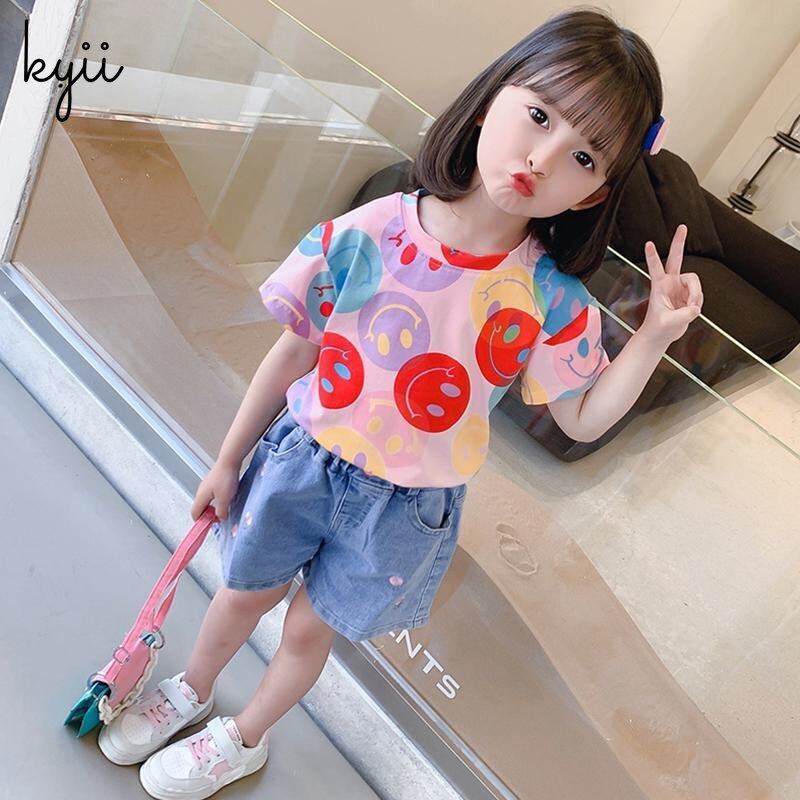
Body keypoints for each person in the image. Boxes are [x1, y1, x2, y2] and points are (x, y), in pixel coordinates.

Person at [100, 6, 703, 796]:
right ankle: (192, 688)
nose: (543, 157)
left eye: (584, 156)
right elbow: (294, 351)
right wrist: (227, 459)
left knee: (309, 632)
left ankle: (242, 739)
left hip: (407, 509)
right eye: (539, 115)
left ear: (595, 193)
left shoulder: (548, 299)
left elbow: (582, 417)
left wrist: (653, 336)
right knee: (243, 594)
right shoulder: (374, 229)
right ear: (491, 99)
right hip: (303, 459)